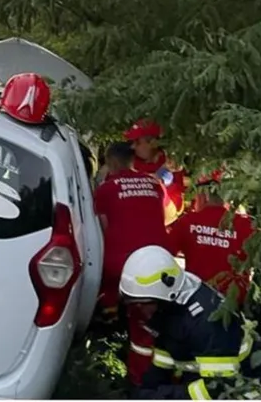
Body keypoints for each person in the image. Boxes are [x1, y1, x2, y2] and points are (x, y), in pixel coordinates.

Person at [120, 245, 261, 400]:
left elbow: (219, 388)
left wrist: (163, 396)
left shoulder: (207, 321)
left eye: (143, 304)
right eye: (134, 304)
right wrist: (146, 390)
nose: (139, 310)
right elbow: (166, 356)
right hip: (206, 379)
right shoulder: (168, 307)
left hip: (246, 388)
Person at [93, 141, 169, 388]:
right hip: (158, 263)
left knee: (107, 285)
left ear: (111, 162)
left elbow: (102, 228)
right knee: (149, 325)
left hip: (121, 266)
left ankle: (109, 332)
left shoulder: (106, 189)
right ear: (132, 160)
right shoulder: (154, 184)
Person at [167, 170, 256, 307]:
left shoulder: (188, 222)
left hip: (198, 300)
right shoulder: (246, 225)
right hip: (235, 302)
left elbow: (166, 254)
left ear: (204, 196)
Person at [124, 119, 187, 225]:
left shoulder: (172, 164)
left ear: (154, 143)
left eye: (137, 142)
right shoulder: (129, 163)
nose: (132, 147)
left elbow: (176, 208)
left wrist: (166, 184)